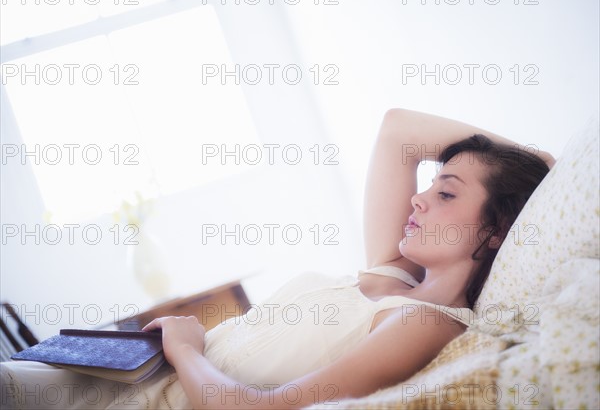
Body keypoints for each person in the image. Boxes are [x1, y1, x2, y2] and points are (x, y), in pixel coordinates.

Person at [1, 109, 553, 409]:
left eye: (447, 194)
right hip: (125, 377)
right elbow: (398, 131)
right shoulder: (393, 273)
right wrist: (533, 162)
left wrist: (186, 347)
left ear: (499, 230)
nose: (418, 197)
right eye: (431, 186)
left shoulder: (425, 322)